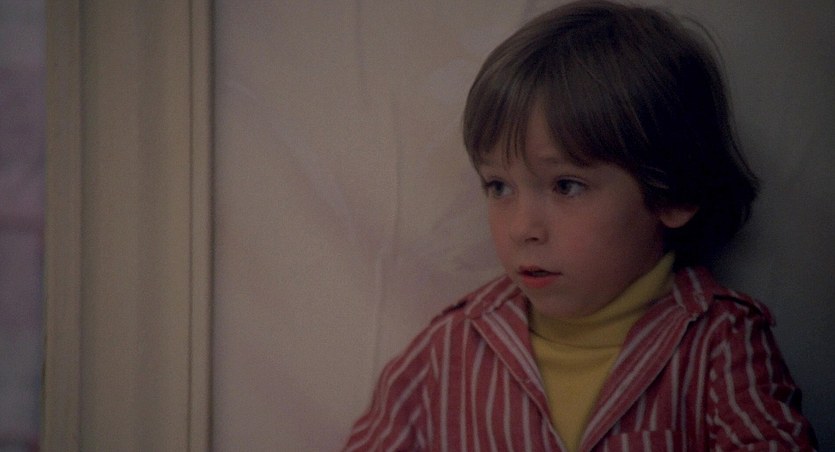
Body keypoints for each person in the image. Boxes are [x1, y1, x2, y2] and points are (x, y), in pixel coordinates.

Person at [343, 1, 818, 450]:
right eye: (499, 186)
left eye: (566, 186)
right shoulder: (449, 347)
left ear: (674, 193)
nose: (522, 229)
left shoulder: (722, 344)